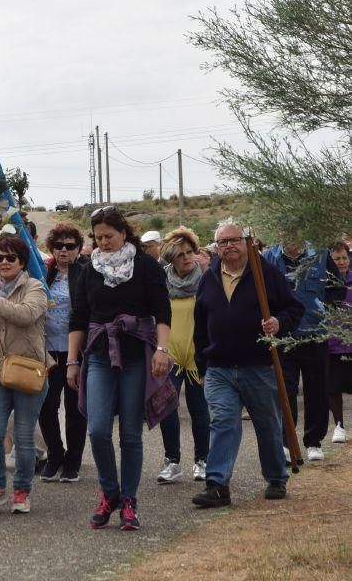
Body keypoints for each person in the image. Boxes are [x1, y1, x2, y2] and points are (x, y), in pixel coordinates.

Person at [66, 206, 173, 531]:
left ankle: (129, 501)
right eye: (97, 238)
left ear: (123, 232)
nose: (103, 242)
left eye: (108, 236)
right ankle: (109, 492)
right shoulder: (88, 269)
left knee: (129, 432)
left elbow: (162, 310)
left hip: (136, 354)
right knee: (97, 429)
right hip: (98, 354)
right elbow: (79, 316)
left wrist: (162, 350)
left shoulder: (145, 266)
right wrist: (72, 360)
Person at [191, 220, 304, 508]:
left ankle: (276, 477)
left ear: (247, 242)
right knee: (222, 422)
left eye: (234, 240)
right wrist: (202, 364)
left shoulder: (266, 272)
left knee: (267, 424)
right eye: (223, 242)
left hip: (259, 364)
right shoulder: (209, 278)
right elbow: (200, 325)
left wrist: (279, 322)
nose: (229, 246)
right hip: (219, 367)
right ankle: (218, 485)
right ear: (216, 247)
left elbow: (294, 308)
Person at [0, 235, 52, 515]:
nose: (4, 262)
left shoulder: (35, 287)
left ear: (22, 261)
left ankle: (21, 490)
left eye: (10, 257)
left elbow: (27, 314)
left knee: (24, 435)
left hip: (29, 371)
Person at [262, 238, 345, 461]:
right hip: (283, 336)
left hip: (314, 333)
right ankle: (286, 443)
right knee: (284, 390)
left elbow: (337, 287)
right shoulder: (268, 258)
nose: (292, 236)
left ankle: (314, 442)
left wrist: (325, 310)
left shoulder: (320, 254)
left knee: (316, 389)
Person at [155, 227, 210, 485]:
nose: (187, 258)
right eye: (180, 255)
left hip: (197, 354)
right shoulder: (161, 280)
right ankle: (172, 461)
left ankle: (203, 460)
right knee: (167, 407)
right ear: (171, 259)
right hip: (170, 354)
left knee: (199, 409)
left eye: (190, 252)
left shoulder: (207, 279)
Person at [38, 222, 87, 483]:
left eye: (70, 246)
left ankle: (73, 461)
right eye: (59, 246)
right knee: (46, 405)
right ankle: (55, 454)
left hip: (76, 351)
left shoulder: (85, 272)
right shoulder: (44, 272)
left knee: (75, 408)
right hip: (47, 351)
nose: (64, 251)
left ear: (78, 249)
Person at [327, 241, 352, 443]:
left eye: (344, 257)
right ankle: (339, 426)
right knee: (333, 388)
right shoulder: (325, 282)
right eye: (337, 259)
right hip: (331, 344)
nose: (342, 262)